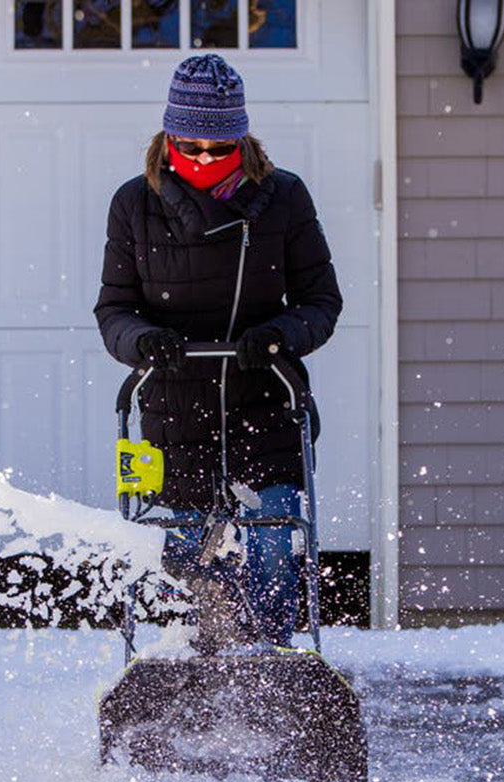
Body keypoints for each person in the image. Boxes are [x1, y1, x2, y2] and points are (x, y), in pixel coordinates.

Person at [94, 54, 341, 650]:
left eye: (219, 148)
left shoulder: (283, 197)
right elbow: (114, 312)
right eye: (191, 145)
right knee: (183, 554)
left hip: (264, 398)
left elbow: (321, 301)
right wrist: (144, 343)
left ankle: (273, 662)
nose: (204, 158)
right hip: (174, 408)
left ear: (242, 140)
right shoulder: (134, 203)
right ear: (168, 135)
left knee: (274, 544)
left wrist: (279, 334)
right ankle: (200, 657)